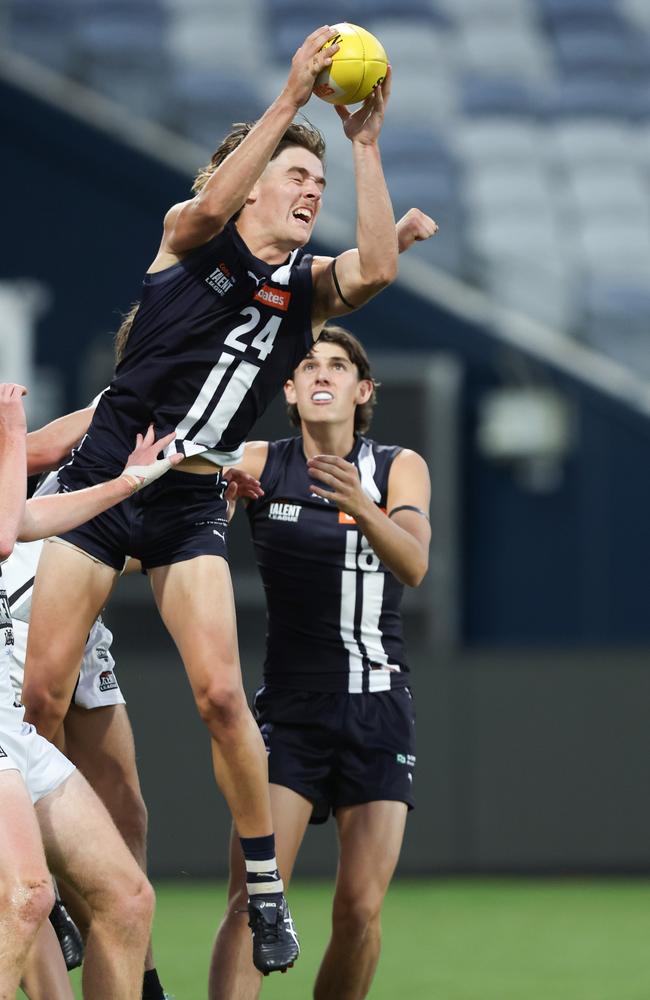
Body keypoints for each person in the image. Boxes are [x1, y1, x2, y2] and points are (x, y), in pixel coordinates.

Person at [20, 23, 417, 974]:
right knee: (38, 691)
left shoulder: (305, 294)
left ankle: (266, 886)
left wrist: (359, 145)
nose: (308, 194)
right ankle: (55, 874)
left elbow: (379, 270)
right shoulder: (189, 243)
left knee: (222, 697)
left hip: (187, 500)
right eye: (295, 178)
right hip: (105, 482)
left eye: (314, 186)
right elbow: (210, 206)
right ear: (248, 181)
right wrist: (290, 99)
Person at [209, 325, 431, 1000]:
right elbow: (175, 477)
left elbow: (416, 563)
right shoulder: (258, 461)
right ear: (290, 389)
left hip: (378, 708)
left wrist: (362, 506)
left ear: (363, 391)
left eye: (338, 365)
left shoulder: (397, 466)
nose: (321, 374)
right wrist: (210, 503)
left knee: (359, 911)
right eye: (307, 365)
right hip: (292, 713)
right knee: (253, 899)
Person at [0, 381, 181, 998]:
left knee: (127, 899)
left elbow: (34, 521)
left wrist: (133, 483)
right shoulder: (21, 445)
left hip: (11, 723)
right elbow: (13, 521)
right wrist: (13, 425)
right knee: (26, 899)